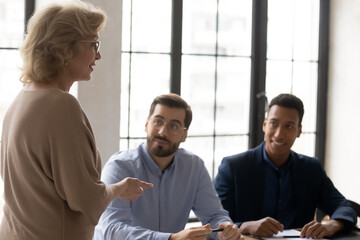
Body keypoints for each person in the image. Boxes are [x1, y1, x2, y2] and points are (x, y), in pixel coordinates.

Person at [0, 1, 152, 240]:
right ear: (64, 49)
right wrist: (119, 188)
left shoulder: (20, 101)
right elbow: (86, 200)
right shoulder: (61, 106)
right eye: (93, 44)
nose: (99, 54)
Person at [94, 93, 241, 240]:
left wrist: (225, 228)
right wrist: (171, 238)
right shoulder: (120, 166)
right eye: (158, 122)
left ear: (184, 135)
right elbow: (111, 230)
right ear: (146, 124)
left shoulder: (194, 167)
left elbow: (214, 215)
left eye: (174, 126)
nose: (163, 132)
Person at [213, 93, 357, 239]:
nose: (279, 134)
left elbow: (344, 207)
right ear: (265, 124)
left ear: (299, 131)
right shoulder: (234, 167)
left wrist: (331, 226)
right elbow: (214, 221)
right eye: (274, 123)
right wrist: (246, 226)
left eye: (289, 126)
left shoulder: (311, 169)